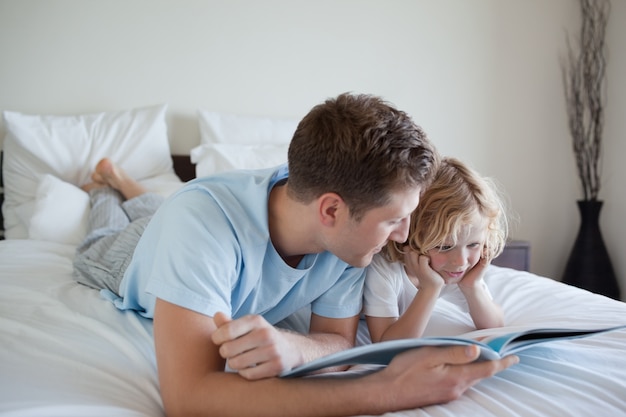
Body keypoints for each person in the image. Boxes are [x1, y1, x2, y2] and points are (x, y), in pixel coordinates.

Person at [73, 93, 517, 417]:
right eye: (393, 220)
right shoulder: (201, 226)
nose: (405, 237)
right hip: (126, 257)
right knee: (109, 229)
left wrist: (294, 347)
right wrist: (391, 390)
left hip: (180, 224)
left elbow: (338, 342)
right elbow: (190, 398)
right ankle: (102, 188)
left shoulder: (351, 240)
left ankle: (133, 188)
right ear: (331, 210)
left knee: (157, 208)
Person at [364, 157, 509, 343]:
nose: (461, 261)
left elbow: (495, 326)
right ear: (411, 233)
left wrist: (472, 286)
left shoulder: (457, 271)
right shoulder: (383, 267)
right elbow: (386, 345)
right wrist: (429, 289)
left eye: (473, 245)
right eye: (444, 246)